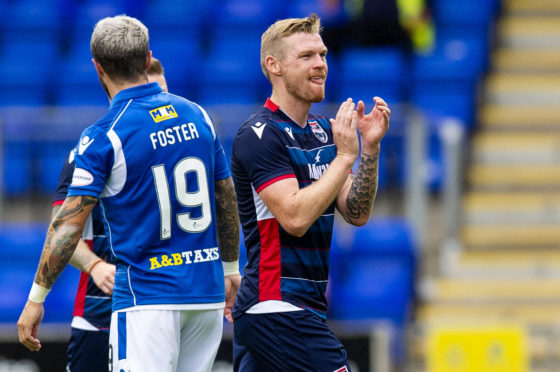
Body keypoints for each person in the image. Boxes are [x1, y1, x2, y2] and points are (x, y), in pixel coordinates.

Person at [17, 15, 241, 372]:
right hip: (206, 296)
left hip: (147, 299)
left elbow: (67, 227)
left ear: (97, 67)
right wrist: (230, 268)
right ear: (147, 56)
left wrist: (35, 299)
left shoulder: (103, 136)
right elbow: (226, 195)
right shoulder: (198, 115)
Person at [230, 13, 390, 371]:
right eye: (306, 56)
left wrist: (371, 150)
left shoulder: (322, 132)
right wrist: (346, 155)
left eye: (322, 55)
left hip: (299, 308)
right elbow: (295, 217)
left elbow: (357, 212)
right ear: (274, 66)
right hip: (276, 306)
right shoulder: (259, 134)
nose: (320, 65)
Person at [57, 57, 169, 372]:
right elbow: (62, 230)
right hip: (98, 314)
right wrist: (94, 266)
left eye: (161, 96)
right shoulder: (91, 150)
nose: (156, 107)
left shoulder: (182, 152)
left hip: (160, 308)